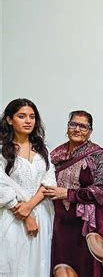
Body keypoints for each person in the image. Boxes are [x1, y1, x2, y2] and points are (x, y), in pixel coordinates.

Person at [44, 110, 103, 277]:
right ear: (67, 128)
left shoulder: (98, 155)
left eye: (83, 126)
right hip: (60, 222)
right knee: (61, 266)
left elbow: (102, 190)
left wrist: (68, 194)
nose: (77, 129)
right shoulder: (55, 155)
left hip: (87, 225)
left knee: (87, 267)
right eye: (73, 124)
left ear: (90, 131)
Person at [0, 98, 56, 276]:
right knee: (13, 263)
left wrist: (30, 207)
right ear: (9, 119)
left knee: (39, 265)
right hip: (12, 217)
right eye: (21, 116)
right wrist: (26, 216)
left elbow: (49, 181)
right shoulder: (2, 150)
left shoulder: (42, 149)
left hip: (42, 215)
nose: (28, 121)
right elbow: (1, 186)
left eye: (32, 117)